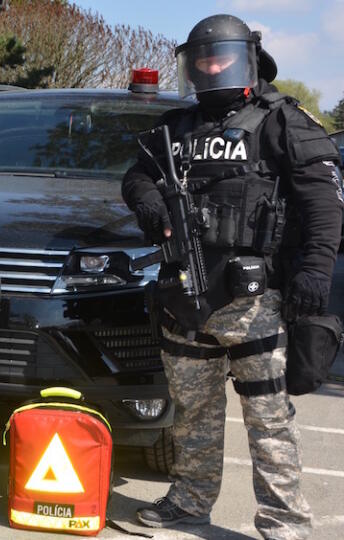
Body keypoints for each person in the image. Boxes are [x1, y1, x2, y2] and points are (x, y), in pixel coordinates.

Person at [122, 14, 342, 539]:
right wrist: (149, 200)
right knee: (193, 413)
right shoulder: (177, 127)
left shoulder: (282, 120)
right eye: (199, 59)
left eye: (218, 56)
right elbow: (135, 175)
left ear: (247, 59)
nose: (208, 66)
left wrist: (315, 270)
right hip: (185, 293)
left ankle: (284, 521)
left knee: (269, 417)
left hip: (254, 299)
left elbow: (325, 203)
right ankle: (190, 501)